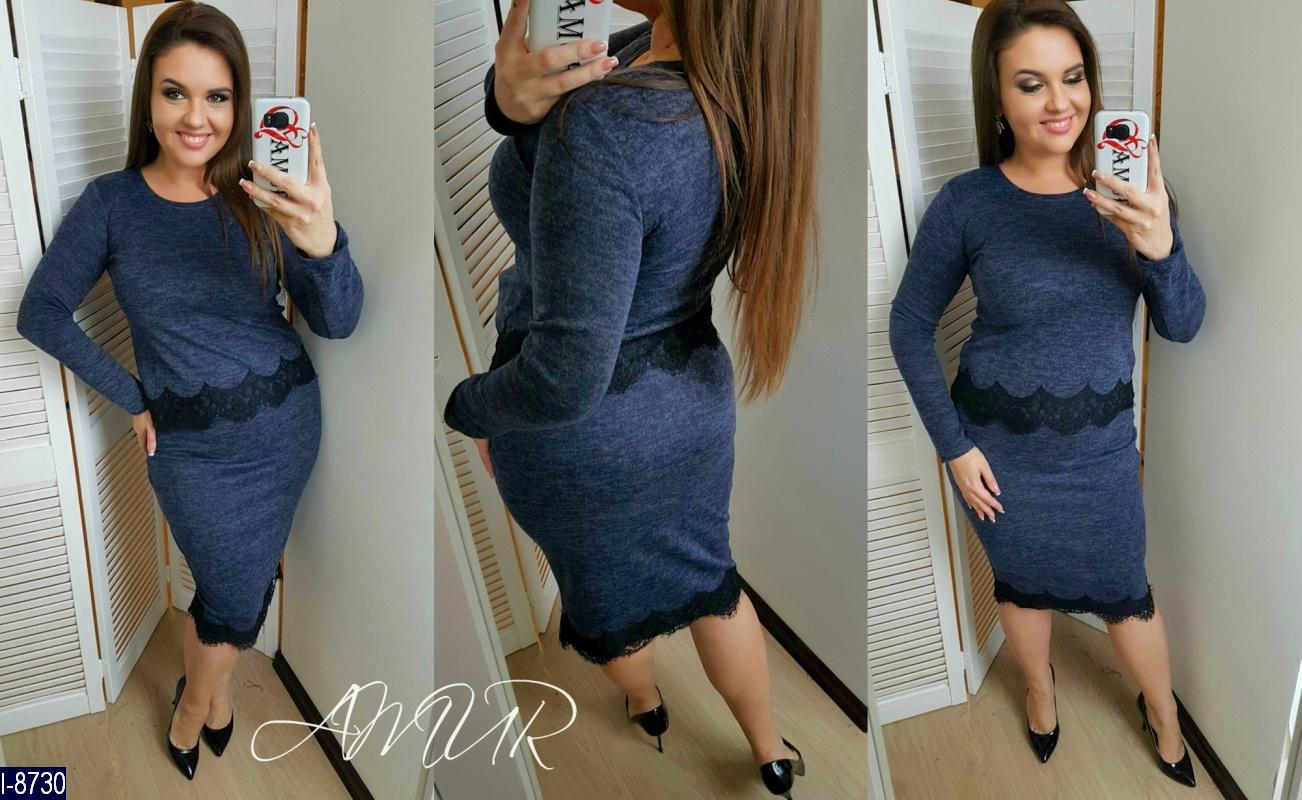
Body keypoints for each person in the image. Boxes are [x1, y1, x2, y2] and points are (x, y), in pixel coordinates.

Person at [441, 0, 819, 795]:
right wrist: (507, 106)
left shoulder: (610, 122)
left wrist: (466, 408)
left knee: (610, 600)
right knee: (713, 582)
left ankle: (646, 702)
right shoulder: (743, 80)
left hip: (580, 431)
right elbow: (548, 125)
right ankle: (771, 749)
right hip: (691, 403)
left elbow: (561, 379)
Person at [16, 2, 362, 781]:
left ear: (240, 106)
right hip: (189, 452)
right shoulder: (112, 204)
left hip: (287, 431)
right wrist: (133, 395)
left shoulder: (265, 190)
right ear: (149, 99)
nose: (196, 117)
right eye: (175, 92)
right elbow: (40, 312)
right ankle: (197, 704)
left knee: (238, 585)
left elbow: (338, 320)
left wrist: (324, 242)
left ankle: (205, 698)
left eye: (217, 96)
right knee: (232, 595)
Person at [888, 0, 1205, 786]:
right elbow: (908, 325)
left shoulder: (1136, 197)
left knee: (1126, 594)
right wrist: (954, 449)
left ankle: (1163, 715)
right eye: (1031, 84)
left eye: (1073, 77)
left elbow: (1183, 325)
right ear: (997, 98)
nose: (1061, 102)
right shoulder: (968, 203)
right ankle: (1039, 691)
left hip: (1098, 455)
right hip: (996, 454)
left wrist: (1160, 246)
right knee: (1022, 585)